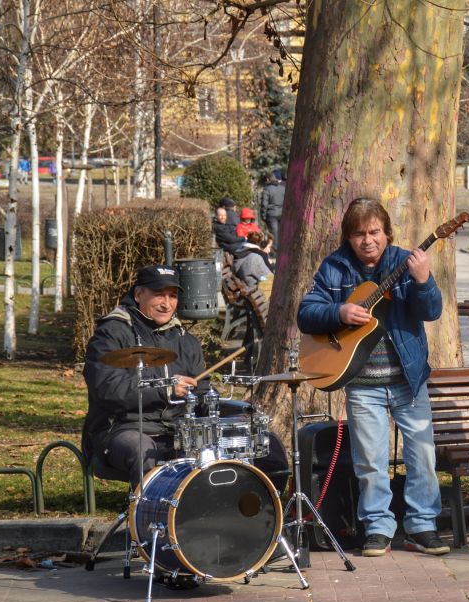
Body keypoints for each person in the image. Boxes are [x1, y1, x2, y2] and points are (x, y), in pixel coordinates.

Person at [297, 197, 449, 558]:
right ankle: (378, 527)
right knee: (370, 459)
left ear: (387, 232)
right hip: (362, 382)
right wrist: (339, 311)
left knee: (422, 455)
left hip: (407, 380)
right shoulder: (335, 268)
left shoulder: (404, 262)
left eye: (375, 232)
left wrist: (424, 279)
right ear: (348, 237)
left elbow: (431, 311)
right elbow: (307, 313)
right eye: (359, 233)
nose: (368, 240)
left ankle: (422, 526)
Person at [82, 265, 289, 490]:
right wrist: (166, 391)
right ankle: (148, 517)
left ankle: (236, 511)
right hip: (122, 429)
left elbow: (202, 392)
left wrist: (219, 407)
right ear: (138, 294)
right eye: (159, 295)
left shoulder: (185, 340)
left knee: (251, 444)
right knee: (142, 449)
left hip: (178, 429)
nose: (167, 303)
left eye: (172, 296)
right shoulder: (112, 332)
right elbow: (107, 389)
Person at [260, 171, 285, 249]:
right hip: (282, 213)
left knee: (274, 235)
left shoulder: (267, 189)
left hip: (271, 214)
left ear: (268, 179)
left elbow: (264, 204)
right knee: (282, 234)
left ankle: (275, 252)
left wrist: (263, 216)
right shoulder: (283, 188)